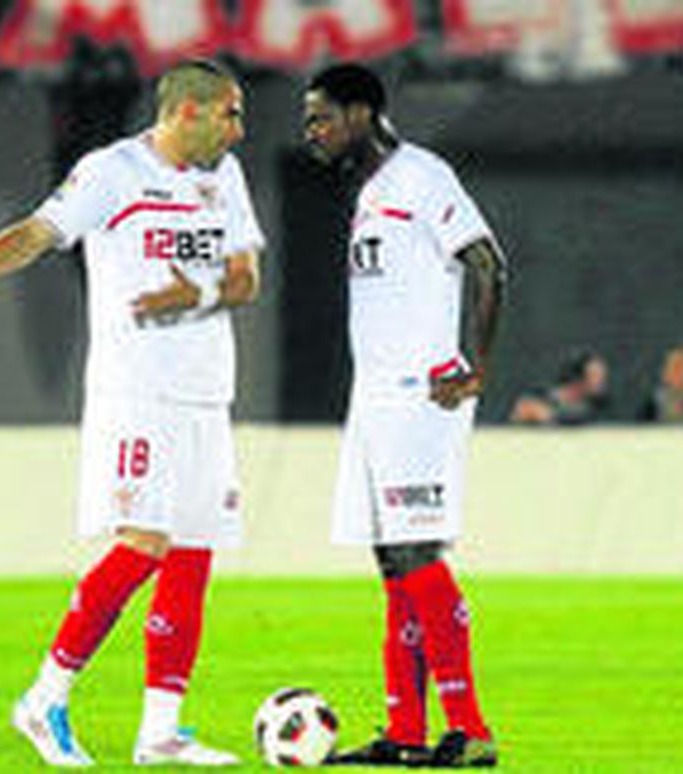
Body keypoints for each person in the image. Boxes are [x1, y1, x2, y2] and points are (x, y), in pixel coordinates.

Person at [0, 59, 261, 766]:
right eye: (229, 114)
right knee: (143, 544)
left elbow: (247, 277)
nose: (240, 129)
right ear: (187, 112)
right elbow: (40, 232)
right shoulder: (113, 172)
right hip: (139, 389)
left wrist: (198, 294)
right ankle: (44, 698)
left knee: (192, 553)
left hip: (207, 390)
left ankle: (160, 731)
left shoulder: (227, 178)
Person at [302, 63, 504, 767]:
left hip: (424, 394)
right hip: (378, 398)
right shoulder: (372, 193)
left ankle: (470, 728)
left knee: (417, 552)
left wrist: (474, 364)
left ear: (362, 112)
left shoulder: (421, 175)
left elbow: (487, 262)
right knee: (392, 560)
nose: (314, 131)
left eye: (322, 116)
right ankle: (405, 734)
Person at [508, 350, 610, 425]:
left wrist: (546, 416)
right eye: (594, 375)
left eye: (602, 376)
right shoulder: (540, 394)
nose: (601, 382)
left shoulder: (596, 409)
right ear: (577, 380)